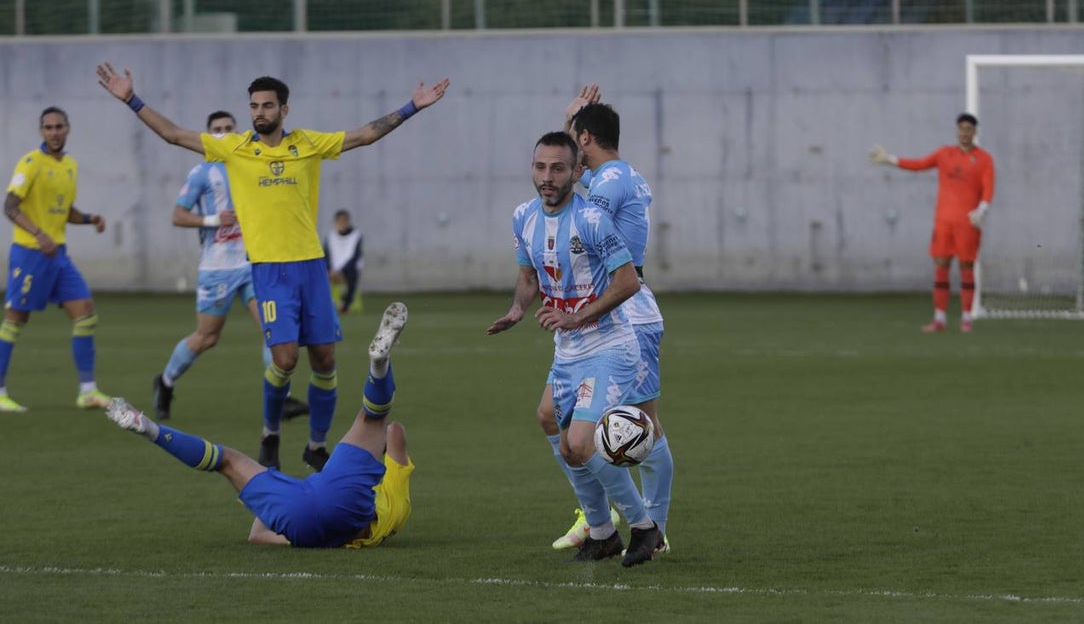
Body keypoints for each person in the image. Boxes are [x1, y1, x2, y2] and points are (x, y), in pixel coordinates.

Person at [96, 63, 449, 472]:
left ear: (284, 109)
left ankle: (317, 445)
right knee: (283, 360)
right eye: (254, 106)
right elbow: (174, 134)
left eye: (267, 105)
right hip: (269, 271)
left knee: (325, 362)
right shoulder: (235, 147)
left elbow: (365, 135)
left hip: (311, 269)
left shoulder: (308, 144)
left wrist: (413, 106)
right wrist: (131, 100)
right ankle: (270, 433)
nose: (259, 112)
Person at [487, 130, 663, 567]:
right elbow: (529, 278)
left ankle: (644, 527)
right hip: (568, 349)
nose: (547, 177)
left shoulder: (592, 220)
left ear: (576, 172)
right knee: (553, 428)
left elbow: (628, 282)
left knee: (581, 442)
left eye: (558, 168)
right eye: (540, 167)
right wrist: (516, 310)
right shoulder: (523, 217)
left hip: (610, 346)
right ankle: (602, 534)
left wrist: (576, 316)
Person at [105, 302, 415, 548]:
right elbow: (257, 534)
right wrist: (278, 500)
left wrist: (373, 453)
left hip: (341, 497)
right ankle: (150, 430)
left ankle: (148, 427)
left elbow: (395, 431)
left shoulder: (394, 501)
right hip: (309, 526)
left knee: (372, 416)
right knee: (228, 463)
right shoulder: (395, 513)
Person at [539, 87, 673, 554]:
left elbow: (584, 226)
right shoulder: (619, 175)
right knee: (552, 418)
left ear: (587, 141)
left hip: (625, 313)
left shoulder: (611, 180)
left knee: (642, 429)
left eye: (575, 145)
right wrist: (574, 118)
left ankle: (649, 525)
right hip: (610, 311)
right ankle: (600, 521)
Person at [154, 110, 308, 422]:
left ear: (238, 131)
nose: (223, 133)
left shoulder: (251, 163)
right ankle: (166, 382)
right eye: (217, 129)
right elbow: (177, 215)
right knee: (207, 337)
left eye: (228, 128)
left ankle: (282, 398)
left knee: (272, 332)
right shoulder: (201, 172)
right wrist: (212, 219)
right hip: (218, 268)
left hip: (255, 264)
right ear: (208, 135)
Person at [0, 107, 111, 413]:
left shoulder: (70, 165)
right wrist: (38, 234)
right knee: (15, 320)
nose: (54, 132)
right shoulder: (31, 162)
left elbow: (65, 211)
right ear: (41, 132)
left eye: (59, 126)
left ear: (68, 129)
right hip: (30, 253)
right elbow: (9, 206)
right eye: (48, 128)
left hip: (58, 255)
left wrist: (90, 219)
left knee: (85, 313)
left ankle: (87, 392)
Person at [869, 112, 996, 333]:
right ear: (956, 130)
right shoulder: (944, 154)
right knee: (940, 267)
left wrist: (982, 208)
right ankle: (939, 318)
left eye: (969, 129)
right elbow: (918, 164)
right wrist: (890, 159)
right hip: (943, 222)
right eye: (961, 128)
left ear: (975, 132)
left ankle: (966, 318)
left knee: (967, 268)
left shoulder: (984, 159)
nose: (964, 133)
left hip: (967, 224)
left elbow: (988, 187)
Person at [324, 209, 364, 315]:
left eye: (344, 221)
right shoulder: (330, 237)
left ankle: (346, 306)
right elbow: (325, 255)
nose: (342, 224)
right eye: (340, 221)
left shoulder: (356, 235)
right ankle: (325, 305)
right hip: (332, 270)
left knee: (353, 275)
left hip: (348, 269)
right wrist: (330, 269)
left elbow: (355, 256)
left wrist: (341, 271)